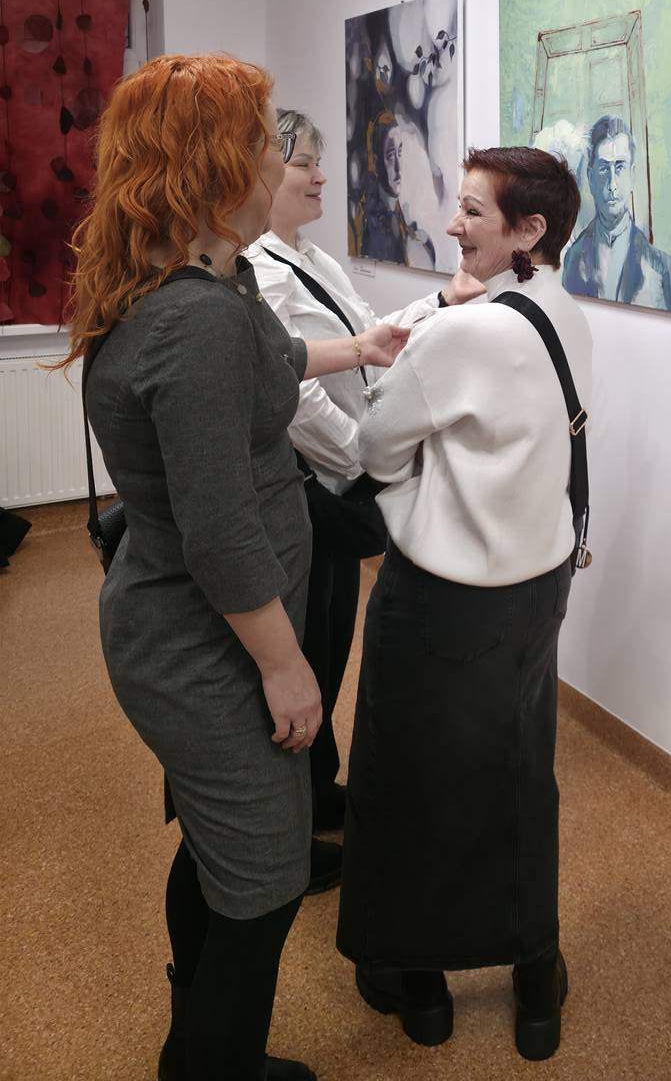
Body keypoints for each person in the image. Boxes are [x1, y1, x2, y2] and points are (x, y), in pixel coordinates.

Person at [61, 54, 407, 1081]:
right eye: (265, 145)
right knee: (262, 878)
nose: (280, 162)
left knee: (219, 844)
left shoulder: (209, 282)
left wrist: (366, 347)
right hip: (203, 642)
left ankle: (195, 1050)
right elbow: (216, 530)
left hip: (199, 626)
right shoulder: (197, 318)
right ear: (215, 167)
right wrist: (286, 666)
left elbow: (278, 361)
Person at [337, 146, 592, 1063]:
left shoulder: (464, 334)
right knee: (520, 775)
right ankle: (536, 978)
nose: (453, 224)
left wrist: (415, 481)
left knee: (410, 782)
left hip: (441, 600)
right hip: (537, 589)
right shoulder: (564, 312)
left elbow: (373, 446)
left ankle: (422, 988)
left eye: (475, 211)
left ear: (531, 229)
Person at [245, 108, 482, 856]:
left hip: (341, 486)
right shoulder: (259, 271)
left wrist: (438, 304)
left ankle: (316, 786)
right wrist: (361, 452)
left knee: (329, 645)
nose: (322, 177)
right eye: (305, 165)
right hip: (312, 491)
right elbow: (289, 391)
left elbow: (367, 336)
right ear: (263, 173)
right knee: (306, 651)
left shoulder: (309, 257)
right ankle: (290, 819)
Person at [562, 115, 671, 310]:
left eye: (620, 167)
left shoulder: (661, 267)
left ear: (632, 176)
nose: (612, 185)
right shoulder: (573, 258)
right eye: (603, 169)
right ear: (591, 178)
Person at [360, 115, 438, 268]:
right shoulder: (373, 223)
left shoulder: (398, 215)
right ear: (375, 162)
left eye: (399, 152)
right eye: (390, 156)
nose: (398, 167)